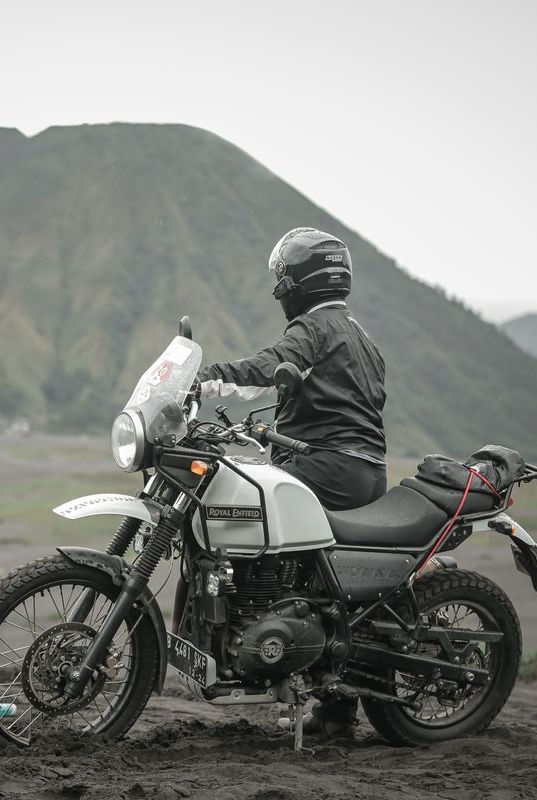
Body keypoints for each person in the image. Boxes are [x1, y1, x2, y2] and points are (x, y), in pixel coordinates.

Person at [195, 226, 387, 738]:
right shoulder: (357, 332)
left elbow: (272, 364)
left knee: (247, 512)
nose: (278, 287)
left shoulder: (316, 327)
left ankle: (261, 645)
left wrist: (207, 375)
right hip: (359, 469)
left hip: (330, 465)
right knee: (324, 585)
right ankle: (338, 710)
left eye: (282, 277)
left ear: (296, 281)